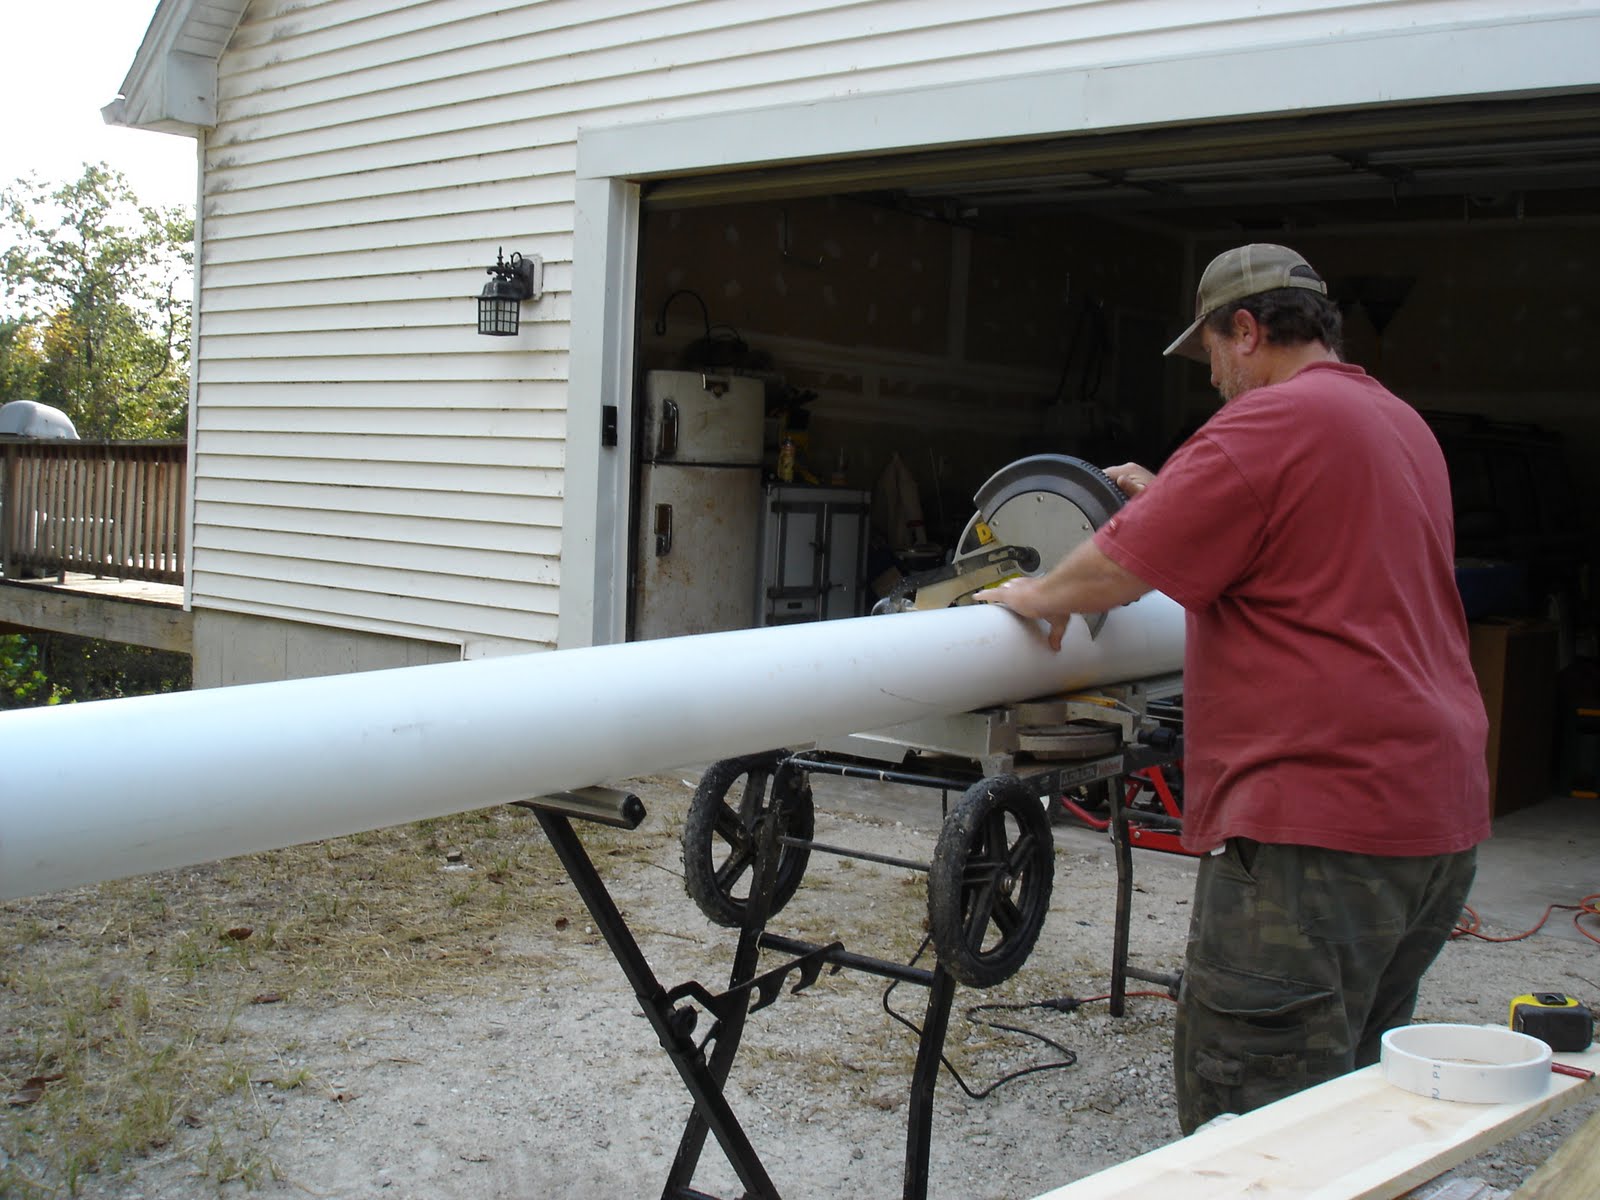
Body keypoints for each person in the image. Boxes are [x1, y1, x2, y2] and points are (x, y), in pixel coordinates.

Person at [977, 243, 1490, 1133]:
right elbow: (1308, 540)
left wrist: (1039, 593)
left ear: (1246, 331)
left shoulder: (1268, 424)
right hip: (1432, 821)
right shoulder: (1399, 424)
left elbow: (1112, 575)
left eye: (1211, 354)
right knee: (1350, 1106)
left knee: (1254, 1126)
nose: (1212, 378)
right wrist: (1178, 491)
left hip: (1317, 832)